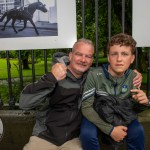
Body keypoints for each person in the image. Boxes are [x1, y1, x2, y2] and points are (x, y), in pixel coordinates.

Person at [19, 38, 142, 150]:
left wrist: (133, 74)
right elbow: (24, 103)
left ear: (92, 60)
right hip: (44, 137)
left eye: (88, 56)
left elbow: (113, 73)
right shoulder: (56, 75)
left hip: (73, 140)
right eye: (79, 54)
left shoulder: (93, 77)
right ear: (70, 55)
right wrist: (51, 78)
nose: (83, 60)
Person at [80, 33, 150, 150]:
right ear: (108, 57)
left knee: (138, 131)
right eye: (114, 54)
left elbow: (134, 110)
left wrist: (144, 102)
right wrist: (110, 130)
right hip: (98, 114)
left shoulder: (134, 77)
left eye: (125, 54)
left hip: (122, 115)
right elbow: (86, 107)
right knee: (87, 134)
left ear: (132, 58)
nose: (119, 59)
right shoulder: (94, 75)